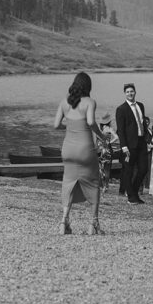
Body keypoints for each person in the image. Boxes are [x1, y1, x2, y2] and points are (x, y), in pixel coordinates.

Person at [53, 71, 102, 235]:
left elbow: (55, 125)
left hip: (68, 150)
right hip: (85, 149)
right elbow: (91, 122)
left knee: (68, 183)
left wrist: (69, 126)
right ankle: (93, 224)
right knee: (94, 182)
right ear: (88, 86)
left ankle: (64, 221)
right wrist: (102, 136)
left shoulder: (64, 102)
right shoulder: (90, 102)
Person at [115, 83, 149, 204]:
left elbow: (143, 123)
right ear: (125, 94)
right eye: (128, 92)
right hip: (129, 145)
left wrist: (147, 138)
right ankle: (131, 197)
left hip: (141, 142)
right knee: (128, 171)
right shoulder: (121, 109)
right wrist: (124, 147)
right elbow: (120, 130)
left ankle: (134, 192)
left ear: (135, 92)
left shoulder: (140, 105)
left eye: (132, 91)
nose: (130, 93)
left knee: (143, 169)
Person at [93, 112, 119, 195]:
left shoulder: (98, 128)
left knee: (100, 168)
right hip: (107, 150)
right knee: (107, 169)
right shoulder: (109, 129)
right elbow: (117, 137)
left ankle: (101, 185)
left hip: (99, 149)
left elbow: (95, 140)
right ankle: (106, 186)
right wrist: (109, 142)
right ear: (109, 121)